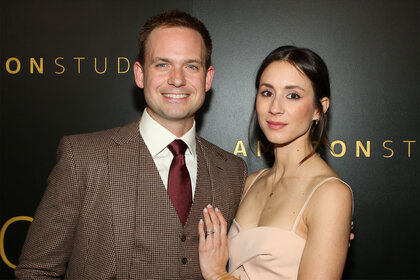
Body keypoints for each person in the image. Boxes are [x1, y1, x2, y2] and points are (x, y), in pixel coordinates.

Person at [15, 10, 247, 279]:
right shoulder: (83, 158)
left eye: (191, 66)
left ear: (207, 79)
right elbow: (36, 270)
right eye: (162, 64)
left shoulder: (232, 171)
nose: (177, 79)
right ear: (140, 74)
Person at [198, 46, 354, 280]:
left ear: (319, 109)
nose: (274, 108)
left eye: (293, 95)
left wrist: (217, 274)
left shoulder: (330, 194)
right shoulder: (252, 182)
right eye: (267, 92)